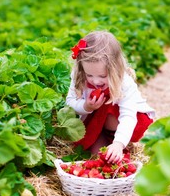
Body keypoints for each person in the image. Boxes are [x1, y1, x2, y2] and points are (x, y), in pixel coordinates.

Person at [66, 31, 156, 164]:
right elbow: (70, 102)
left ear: (115, 69)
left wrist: (119, 143)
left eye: (102, 76)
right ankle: (105, 139)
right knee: (98, 156)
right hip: (96, 121)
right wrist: (86, 106)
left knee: (115, 146)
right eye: (89, 75)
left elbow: (128, 116)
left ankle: (117, 140)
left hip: (128, 121)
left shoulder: (124, 83)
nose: (96, 81)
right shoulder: (79, 75)